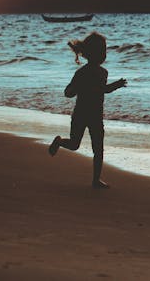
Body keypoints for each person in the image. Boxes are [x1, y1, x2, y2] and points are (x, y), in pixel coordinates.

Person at [49, 32, 126, 188]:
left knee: (98, 148)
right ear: (95, 54)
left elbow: (102, 89)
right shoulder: (83, 73)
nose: (105, 55)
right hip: (83, 114)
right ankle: (59, 141)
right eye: (103, 51)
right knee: (75, 145)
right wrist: (78, 88)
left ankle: (96, 180)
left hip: (94, 116)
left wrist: (116, 85)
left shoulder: (101, 72)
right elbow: (68, 92)